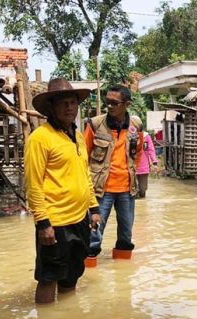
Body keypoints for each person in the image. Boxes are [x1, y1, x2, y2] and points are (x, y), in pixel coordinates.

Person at [25, 78, 101, 304]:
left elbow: (84, 174)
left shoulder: (77, 136)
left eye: (73, 102)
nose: (69, 107)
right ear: (51, 107)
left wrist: (93, 207)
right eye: (63, 103)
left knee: (71, 276)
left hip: (80, 218)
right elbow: (33, 184)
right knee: (49, 278)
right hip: (55, 222)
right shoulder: (40, 138)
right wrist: (43, 223)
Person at [83, 85, 144, 261]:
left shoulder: (135, 126)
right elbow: (83, 155)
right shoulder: (95, 125)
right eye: (107, 102)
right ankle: (89, 269)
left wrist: (131, 173)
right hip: (101, 189)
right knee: (94, 232)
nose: (109, 106)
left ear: (126, 104)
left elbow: (138, 152)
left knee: (126, 234)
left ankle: (123, 275)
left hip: (126, 189)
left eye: (114, 103)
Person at [136, 132, 159, 198]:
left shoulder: (146, 136)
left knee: (143, 190)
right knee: (133, 190)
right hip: (131, 167)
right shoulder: (127, 134)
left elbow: (151, 149)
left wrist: (154, 162)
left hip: (144, 166)